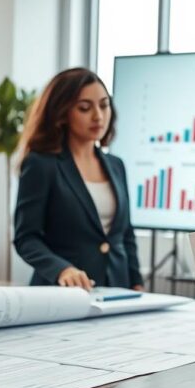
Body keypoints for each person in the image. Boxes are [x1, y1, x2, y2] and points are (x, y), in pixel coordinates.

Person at [14, 67, 144, 290]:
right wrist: (62, 269)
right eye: (85, 108)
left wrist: (136, 283)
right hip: (63, 293)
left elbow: (125, 234)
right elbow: (26, 238)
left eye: (104, 105)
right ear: (62, 113)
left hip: (117, 290)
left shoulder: (116, 165)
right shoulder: (41, 164)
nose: (98, 116)